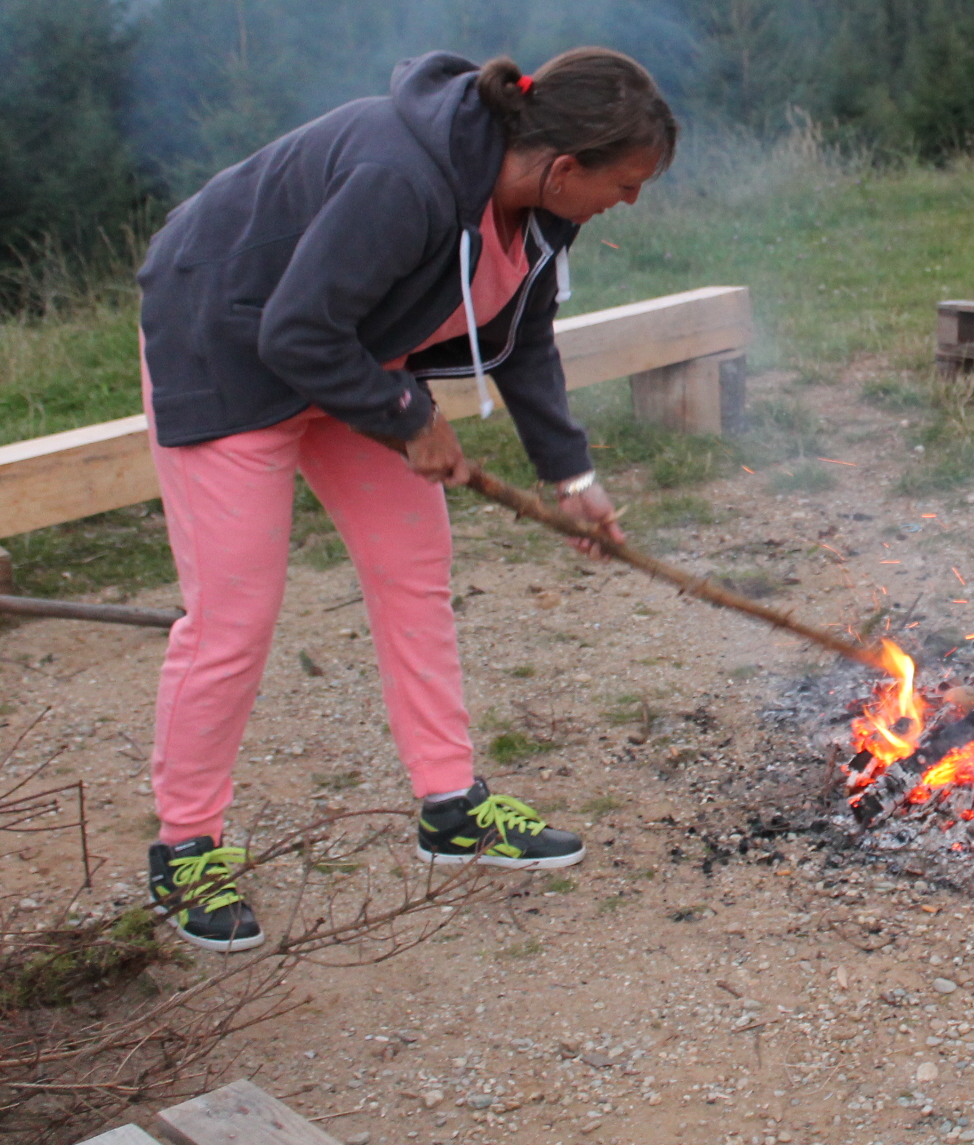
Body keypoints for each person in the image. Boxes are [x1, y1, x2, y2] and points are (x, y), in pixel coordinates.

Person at [134, 48, 676, 951]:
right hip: (227, 346)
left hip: (346, 356)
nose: (630, 202)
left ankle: (450, 804)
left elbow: (528, 334)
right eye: (625, 184)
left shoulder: (540, 208)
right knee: (233, 616)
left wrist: (571, 479)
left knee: (414, 567)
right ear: (564, 166)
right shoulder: (404, 177)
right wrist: (407, 415)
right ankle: (186, 845)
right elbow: (294, 326)